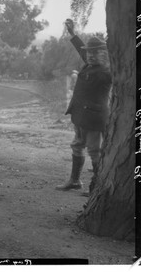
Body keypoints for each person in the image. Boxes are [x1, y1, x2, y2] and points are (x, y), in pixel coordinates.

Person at [56, 19, 112, 195]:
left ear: (105, 54)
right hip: (80, 115)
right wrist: (73, 34)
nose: (90, 55)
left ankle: (97, 188)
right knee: (77, 145)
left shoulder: (106, 72)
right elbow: (82, 50)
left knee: (95, 152)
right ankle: (74, 180)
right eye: (89, 53)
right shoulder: (90, 64)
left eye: (96, 52)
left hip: (94, 119)